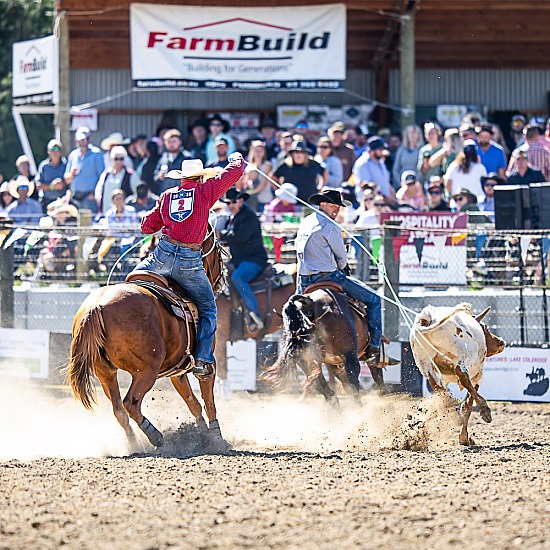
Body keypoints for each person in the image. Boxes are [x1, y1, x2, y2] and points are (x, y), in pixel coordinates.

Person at [133, 154, 245, 378]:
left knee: (131, 286)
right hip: (188, 261)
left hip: (160, 257)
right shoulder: (205, 191)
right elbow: (234, 172)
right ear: (201, 177)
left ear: (182, 178)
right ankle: (202, 358)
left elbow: (147, 227)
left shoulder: (167, 196)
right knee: (208, 307)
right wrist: (237, 159)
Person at [295, 188, 382, 365]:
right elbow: (342, 259)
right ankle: (374, 347)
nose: (336, 209)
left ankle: (294, 344)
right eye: (333, 205)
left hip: (304, 280)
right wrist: (340, 264)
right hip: (329, 277)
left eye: (338, 206)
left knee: (293, 311)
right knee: (374, 299)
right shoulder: (330, 226)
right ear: (322, 204)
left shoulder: (306, 221)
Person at [219, 187, 269, 332]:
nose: (230, 206)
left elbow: (240, 237)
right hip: (241, 260)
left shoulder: (249, 217)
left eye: (233, 202)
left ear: (241, 200)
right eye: (228, 203)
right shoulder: (237, 217)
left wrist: (220, 235)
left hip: (254, 260)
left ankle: (254, 314)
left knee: (238, 278)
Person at [65, 126, 105, 214]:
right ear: (76, 140)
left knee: (90, 224)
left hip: (89, 197)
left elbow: (102, 177)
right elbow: (67, 179)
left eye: (84, 140)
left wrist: (94, 193)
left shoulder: (96, 154)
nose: (82, 143)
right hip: (75, 198)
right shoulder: (73, 155)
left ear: (89, 139)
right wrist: (72, 174)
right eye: (80, 140)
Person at [95, 146, 140, 215]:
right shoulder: (106, 174)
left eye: (121, 159)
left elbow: (137, 194)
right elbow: (98, 190)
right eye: (116, 159)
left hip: (123, 215)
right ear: (112, 159)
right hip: (106, 213)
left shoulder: (131, 175)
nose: (118, 161)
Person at [352, 136, 395, 204]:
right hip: (369, 203)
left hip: (383, 203)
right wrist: (385, 198)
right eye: (380, 149)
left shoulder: (380, 161)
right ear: (372, 150)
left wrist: (391, 192)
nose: (382, 151)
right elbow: (366, 186)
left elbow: (385, 180)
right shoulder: (363, 164)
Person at [154, 129, 194, 194]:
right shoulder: (163, 158)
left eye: (174, 141)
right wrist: (159, 177)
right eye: (169, 142)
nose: (171, 144)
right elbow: (155, 176)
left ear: (180, 141)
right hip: (166, 194)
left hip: (182, 195)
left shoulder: (187, 157)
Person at [35, 139, 68, 212]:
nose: (54, 152)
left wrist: (63, 184)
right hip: (47, 202)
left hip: (63, 202)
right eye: (52, 149)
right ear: (48, 151)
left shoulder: (66, 165)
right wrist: (51, 186)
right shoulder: (44, 166)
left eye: (56, 149)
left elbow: (71, 181)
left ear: (60, 151)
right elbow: (38, 185)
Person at [240, 140, 273, 212]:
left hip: (264, 200)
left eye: (260, 151)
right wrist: (249, 184)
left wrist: (251, 192)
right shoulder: (249, 167)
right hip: (252, 200)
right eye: (256, 151)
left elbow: (263, 184)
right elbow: (246, 184)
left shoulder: (267, 165)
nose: (258, 153)